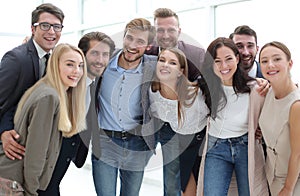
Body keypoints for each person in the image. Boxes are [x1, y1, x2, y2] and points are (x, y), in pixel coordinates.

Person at [0, 43, 87, 196]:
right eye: (69, 64)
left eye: (80, 66)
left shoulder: (48, 89)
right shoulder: (49, 97)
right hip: (16, 183)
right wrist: (31, 191)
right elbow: (36, 153)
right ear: (55, 64)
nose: (77, 71)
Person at [37, 32, 115, 195]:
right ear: (82, 54)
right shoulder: (62, 82)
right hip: (48, 155)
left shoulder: (96, 80)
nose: (100, 60)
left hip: (69, 150)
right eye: (94, 53)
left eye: (105, 55)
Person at [145, 7, 207, 195]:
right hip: (159, 120)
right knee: (169, 175)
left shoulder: (196, 54)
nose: (165, 34)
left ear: (179, 31)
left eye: (171, 29)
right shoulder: (148, 54)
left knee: (188, 174)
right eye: (160, 29)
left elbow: (214, 89)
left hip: (191, 121)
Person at [92, 18, 157, 196]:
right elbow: (73, 57)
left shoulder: (154, 65)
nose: (132, 45)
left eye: (140, 41)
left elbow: (181, 65)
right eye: (129, 38)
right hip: (105, 140)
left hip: (137, 143)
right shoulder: (103, 61)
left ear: (149, 45)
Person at [197, 37, 268, 195]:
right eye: (217, 61)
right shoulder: (204, 89)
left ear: (237, 58)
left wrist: (262, 130)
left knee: (250, 191)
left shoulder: (256, 88)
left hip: (246, 146)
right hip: (216, 148)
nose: (224, 66)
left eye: (229, 59)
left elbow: (274, 111)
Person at [0, 3, 65, 160]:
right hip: (15, 144)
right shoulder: (16, 59)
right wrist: (2, 132)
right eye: (45, 25)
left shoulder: (56, 59)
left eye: (57, 27)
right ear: (33, 29)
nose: (51, 31)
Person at [258, 41, 300, 196]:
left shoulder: (296, 105)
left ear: (290, 64)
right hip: (271, 176)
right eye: (264, 61)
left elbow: (297, 154)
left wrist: (288, 189)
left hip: (291, 182)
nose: (270, 65)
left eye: (276, 59)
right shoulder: (268, 92)